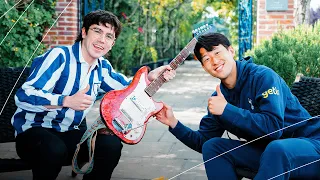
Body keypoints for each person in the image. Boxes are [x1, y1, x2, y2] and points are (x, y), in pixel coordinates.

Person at [11, 10, 175, 180]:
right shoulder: (59, 56)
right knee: (54, 149)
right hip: (33, 134)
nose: (102, 40)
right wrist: (66, 101)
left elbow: (128, 89)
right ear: (84, 32)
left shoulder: (102, 67)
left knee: (110, 145)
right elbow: (24, 95)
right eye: (97, 31)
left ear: (112, 43)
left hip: (68, 134)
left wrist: (150, 77)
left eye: (109, 36)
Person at [155, 32, 320, 180]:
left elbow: (274, 129)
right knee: (213, 147)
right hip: (269, 153)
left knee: (277, 149)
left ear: (231, 51)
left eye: (217, 52)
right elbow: (203, 141)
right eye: (206, 59)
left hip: (310, 147)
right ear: (205, 68)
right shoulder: (219, 98)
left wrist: (227, 110)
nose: (214, 60)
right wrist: (173, 123)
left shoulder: (263, 77)